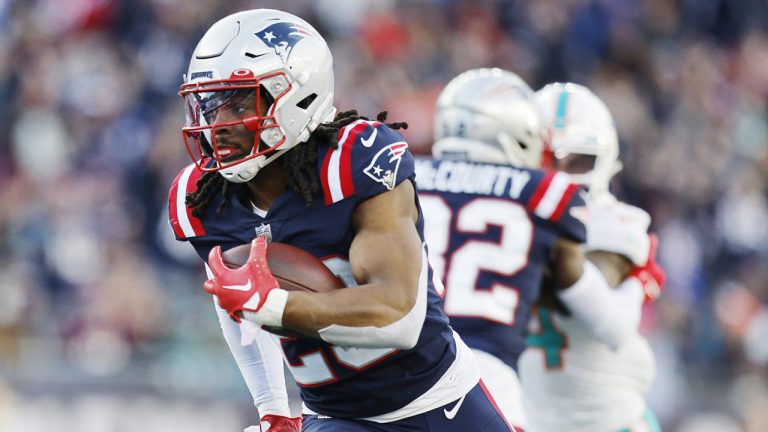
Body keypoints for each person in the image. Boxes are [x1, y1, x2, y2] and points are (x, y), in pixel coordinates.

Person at [168, 9, 513, 432]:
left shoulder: (353, 162)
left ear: (298, 97)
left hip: (440, 399)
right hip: (338, 416)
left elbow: (399, 318)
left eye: (239, 102)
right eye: (207, 104)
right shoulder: (201, 197)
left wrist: (278, 306)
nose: (215, 126)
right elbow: (233, 295)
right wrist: (272, 407)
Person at [415, 68, 616, 431]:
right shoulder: (545, 193)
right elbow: (609, 321)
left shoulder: (405, 177)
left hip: (399, 376)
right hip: (487, 383)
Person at [517, 82, 665, 432]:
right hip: (524, 419)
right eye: (548, 158)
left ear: (606, 158)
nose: (561, 174)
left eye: (578, 161)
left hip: (608, 422)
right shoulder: (502, 218)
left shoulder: (617, 222)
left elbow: (607, 320)